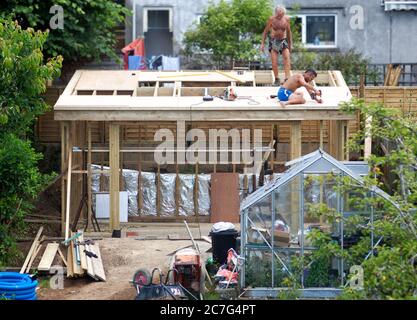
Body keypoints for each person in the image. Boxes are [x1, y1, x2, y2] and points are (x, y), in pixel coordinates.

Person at [261, 5, 292, 85]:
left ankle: (287, 78)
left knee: (286, 58)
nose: (279, 16)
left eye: (281, 15)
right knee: (274, 61)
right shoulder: (272, 19)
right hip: (274, 40)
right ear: (276, 13)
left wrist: (290, 44)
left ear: (283, 13)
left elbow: (288, 32)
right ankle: (277, 79)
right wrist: (262, 44)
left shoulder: (287, 19)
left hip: (283, 40)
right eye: (278, 14)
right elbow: (265, 32)